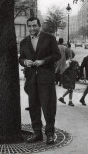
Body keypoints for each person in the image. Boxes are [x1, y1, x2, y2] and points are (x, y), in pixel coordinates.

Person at [19, 17, 61, 145]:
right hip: (31, 79)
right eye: (30, 26)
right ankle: (37, 133)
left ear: (39, 26)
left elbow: (57, 55)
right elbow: (21, 58)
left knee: (48, 107)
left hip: (46, 78)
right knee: (33, 107)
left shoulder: (49, 38)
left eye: (34, 26)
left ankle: (50, 134)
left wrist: (43, 61)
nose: (32, 29)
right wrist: (25, 62)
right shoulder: (24, 42)